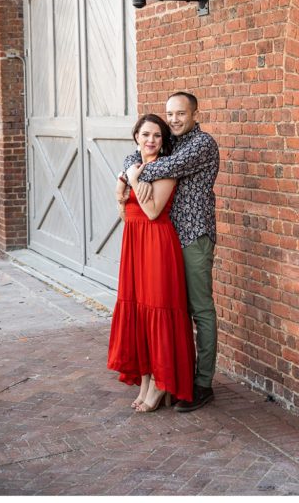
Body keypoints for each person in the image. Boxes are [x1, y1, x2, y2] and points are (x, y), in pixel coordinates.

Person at [119, 91, 220, 412]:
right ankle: (174, 378)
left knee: (199, 309)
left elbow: (157, 165)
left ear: (194, 114)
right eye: (170, 114)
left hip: (193, 235)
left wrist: (129, 176)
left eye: (181, 113)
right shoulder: (171, 141)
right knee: (170, 311)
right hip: (165, 239)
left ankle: (202, 383)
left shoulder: (201, 144)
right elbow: (135, 154)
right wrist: (126, 170)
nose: (174, 119)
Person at [108, 114, 196, 411]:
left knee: (157, 307)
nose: (151, 140)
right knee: (139, 311)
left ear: (163, 140)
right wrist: (123, 189)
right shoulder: (131, 166)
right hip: (134, 244)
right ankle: (147, 379)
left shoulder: (164, 168)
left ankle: (162, 383)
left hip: (158, 244)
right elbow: (126, 215)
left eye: (157, 135)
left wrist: (131, 180)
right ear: (136, 137)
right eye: (146, 134)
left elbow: (153, 211)